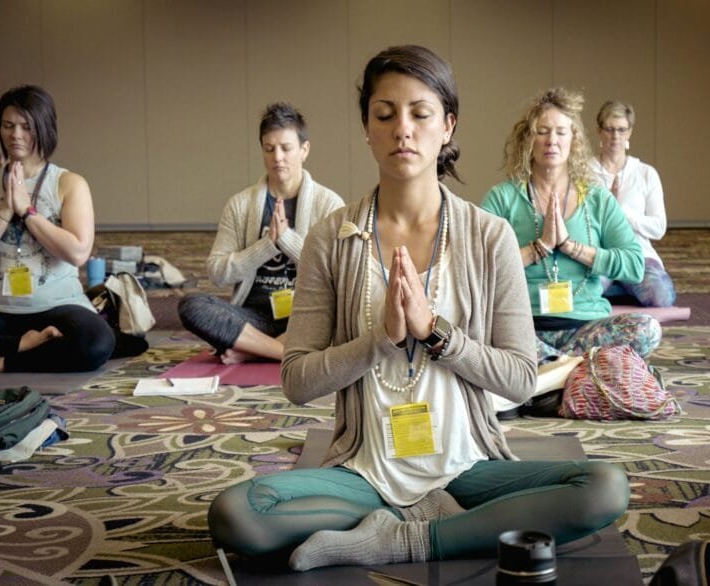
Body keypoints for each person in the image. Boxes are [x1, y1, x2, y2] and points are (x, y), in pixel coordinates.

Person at [207, 46, 629, 572]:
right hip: (365, 471)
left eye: (420, 114)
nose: (402, 129)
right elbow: (297, 380)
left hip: (466, 468)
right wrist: (376, 343)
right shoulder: (328, 239)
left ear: (448, 126)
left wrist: (437, 334)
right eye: (384, 115)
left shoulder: (488, 235)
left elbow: (520, 379)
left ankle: (408, 539)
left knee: (604, 487)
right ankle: (440, 525)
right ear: (366, 127)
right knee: (237, 514)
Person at [482, 88, 661, 366]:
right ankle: (576, 370)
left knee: (647, 329)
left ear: (573, 139)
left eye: (561, 132)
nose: (551, 140)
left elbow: (635, 265)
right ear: (528, 138)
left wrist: (571, 247)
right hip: (523, 327)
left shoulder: (597, 198)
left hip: (585, 327)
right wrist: (537, 248)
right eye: (542, 131)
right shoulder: (502, 197)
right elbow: (477, 266)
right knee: (479, 334)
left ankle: (549, 371)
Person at [0, 84, 115, 373]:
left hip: (60, 306)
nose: (16, 135)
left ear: (45, 128)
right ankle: (23, 346)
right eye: (8, 126)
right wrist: (4, 211)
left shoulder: (69, 183)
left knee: (96, 342)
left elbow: (78, 252)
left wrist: (28, 211)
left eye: (26, 126)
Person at [178, 102, 344, 364]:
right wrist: (266, 246)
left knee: (344, 316)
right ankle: (280, 351)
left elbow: (337, 273)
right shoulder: (240, 204)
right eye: (269, 149)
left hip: (306, 316)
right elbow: (218, 272)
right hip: (254, 319)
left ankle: (252, 351)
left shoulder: (329, 204)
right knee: (192, 306)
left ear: (304, 150)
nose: (277, 157)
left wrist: (287, 241)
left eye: (286, 148)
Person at [589, 100, 676, 307]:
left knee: (662, 297)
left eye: (621, 129)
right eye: (609, 129)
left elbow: (658, 228)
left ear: (629, 132)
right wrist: (605, 211)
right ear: (599, 131)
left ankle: (617, 288)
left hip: (636, 254)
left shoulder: (645, 173)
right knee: (574, 298)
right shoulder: (584, 172)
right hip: (599, 254)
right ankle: (622, 288)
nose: (615, 136)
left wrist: (621, 212)